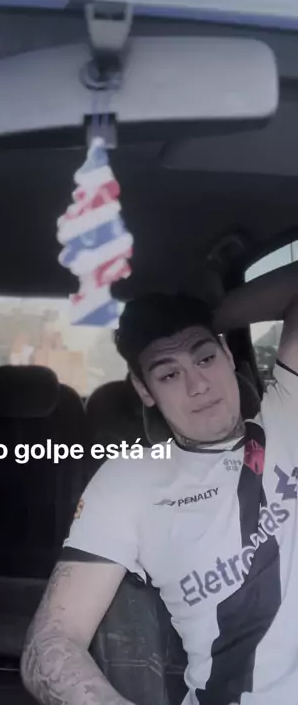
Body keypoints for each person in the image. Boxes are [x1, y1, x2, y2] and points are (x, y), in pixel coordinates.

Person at [20, 260, 298, 705]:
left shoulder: (289, 414)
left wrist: (210, 314)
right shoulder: (129, 480)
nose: (197, 385)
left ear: (229, 357)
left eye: (205, 358)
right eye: (169, 374)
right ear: (145, 390)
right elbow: (52, 639)